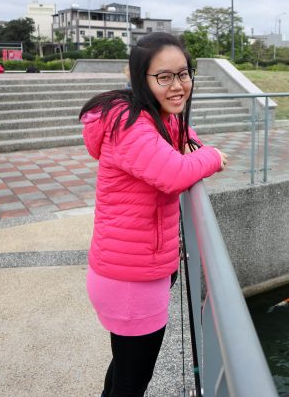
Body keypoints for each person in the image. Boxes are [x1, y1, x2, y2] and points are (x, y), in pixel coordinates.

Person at [79, 32, 228, 396]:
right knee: (132, 382)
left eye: (183, 74)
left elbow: (185, 137)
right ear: (139, 78)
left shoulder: (155, 116)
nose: (177, 85)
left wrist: (196, 148)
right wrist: (213, 157)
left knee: (124, 371)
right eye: (164, 77)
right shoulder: (131, 125)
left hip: (134, 269)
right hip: (131, 280)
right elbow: (175, 172)